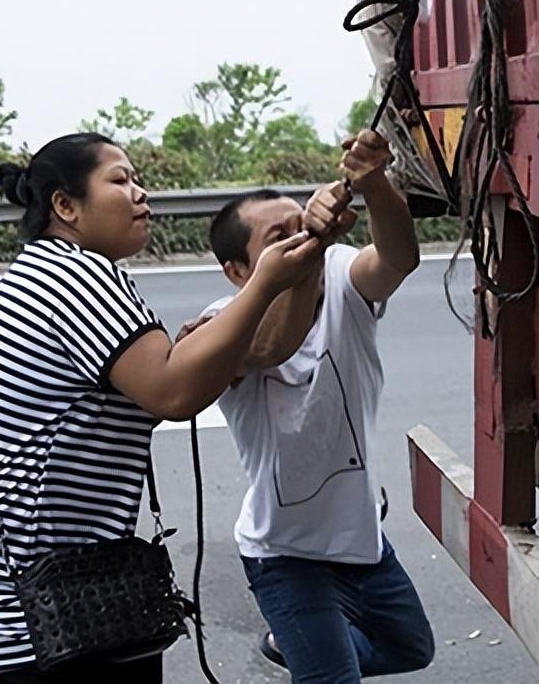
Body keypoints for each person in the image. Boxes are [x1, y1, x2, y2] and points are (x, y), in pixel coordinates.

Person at [0, 133, 324, 683]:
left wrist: (310, 257)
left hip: (36, 570)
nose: (141, 194)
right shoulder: (73, 277)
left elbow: (266, 349)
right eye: (120, 180)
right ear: (65, 205)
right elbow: (173, 392)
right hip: (13, 587)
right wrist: (266, 279)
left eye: (138, 180)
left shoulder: (58, 269)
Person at [183, 130, 435, 683]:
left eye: (303, 221)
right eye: (281, 236)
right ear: (237, 272)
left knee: (412, 648)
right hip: (286, 554)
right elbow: (272, 345)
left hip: (359, 536)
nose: (301, 235)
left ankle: (300, 646)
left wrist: (372, 183)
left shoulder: (342, 274)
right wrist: (313, 245)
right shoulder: (223, 322)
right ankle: (313, 649)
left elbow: (399, 257)